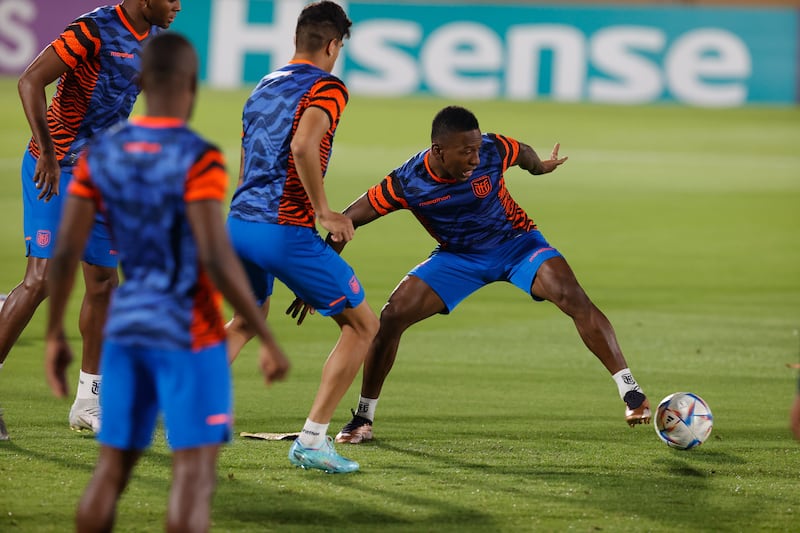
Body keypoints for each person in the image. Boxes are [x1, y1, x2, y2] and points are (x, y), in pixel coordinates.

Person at [45, 32, 290, 532]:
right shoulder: (197, 155)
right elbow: (216, 256)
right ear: (191, 84)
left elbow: (68, 250)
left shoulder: (102, 153)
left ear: (140, 80)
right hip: (188, 332)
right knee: (193, 477)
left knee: (110, 472)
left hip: (127, 329)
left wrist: (54, 336)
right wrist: (265, 337)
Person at [292, 105, 652, 444]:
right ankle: (364, 417)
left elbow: (522, 152)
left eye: (477, 149)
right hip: (458, 258)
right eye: (466, 152)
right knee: (391, 317)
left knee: (572, 297)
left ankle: (630, 391)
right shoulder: (407, 182)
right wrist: (319, 278)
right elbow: (347, 221)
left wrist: (541, 167)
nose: (476, 159)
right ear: (438, 150)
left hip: (517, 244)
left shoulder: (493, 150)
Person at [0, 0, 181, 437]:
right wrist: (46, 150)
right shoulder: (93, 29)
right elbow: (29, 81)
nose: (178, 5)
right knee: (42, 280)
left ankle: (88, 402)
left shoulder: (156, 40)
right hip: (55, 167)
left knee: (103, 285)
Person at [225, 1, 378, 474]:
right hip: (281, 231)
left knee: (247, 319)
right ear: (333, 45)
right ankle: (313, 439)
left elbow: (256, 153)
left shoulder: (265, 84)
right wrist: (324, 212)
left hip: (237, 225)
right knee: (362, 326)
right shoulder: (328, 87)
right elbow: (301, 145)